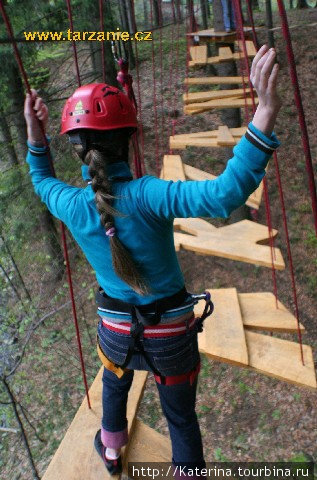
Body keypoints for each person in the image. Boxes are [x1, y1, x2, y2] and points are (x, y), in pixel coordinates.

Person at [24, 45, 281, 477]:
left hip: (116, 331)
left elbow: (41, 180)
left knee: (113, 380)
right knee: (180, 418)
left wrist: (36, 135)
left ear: (76, 147)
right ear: (131, 137)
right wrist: (265, 113)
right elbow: (222, 196)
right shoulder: (150, 196)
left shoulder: (71, 204)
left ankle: (110, 450)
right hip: (170, 337)